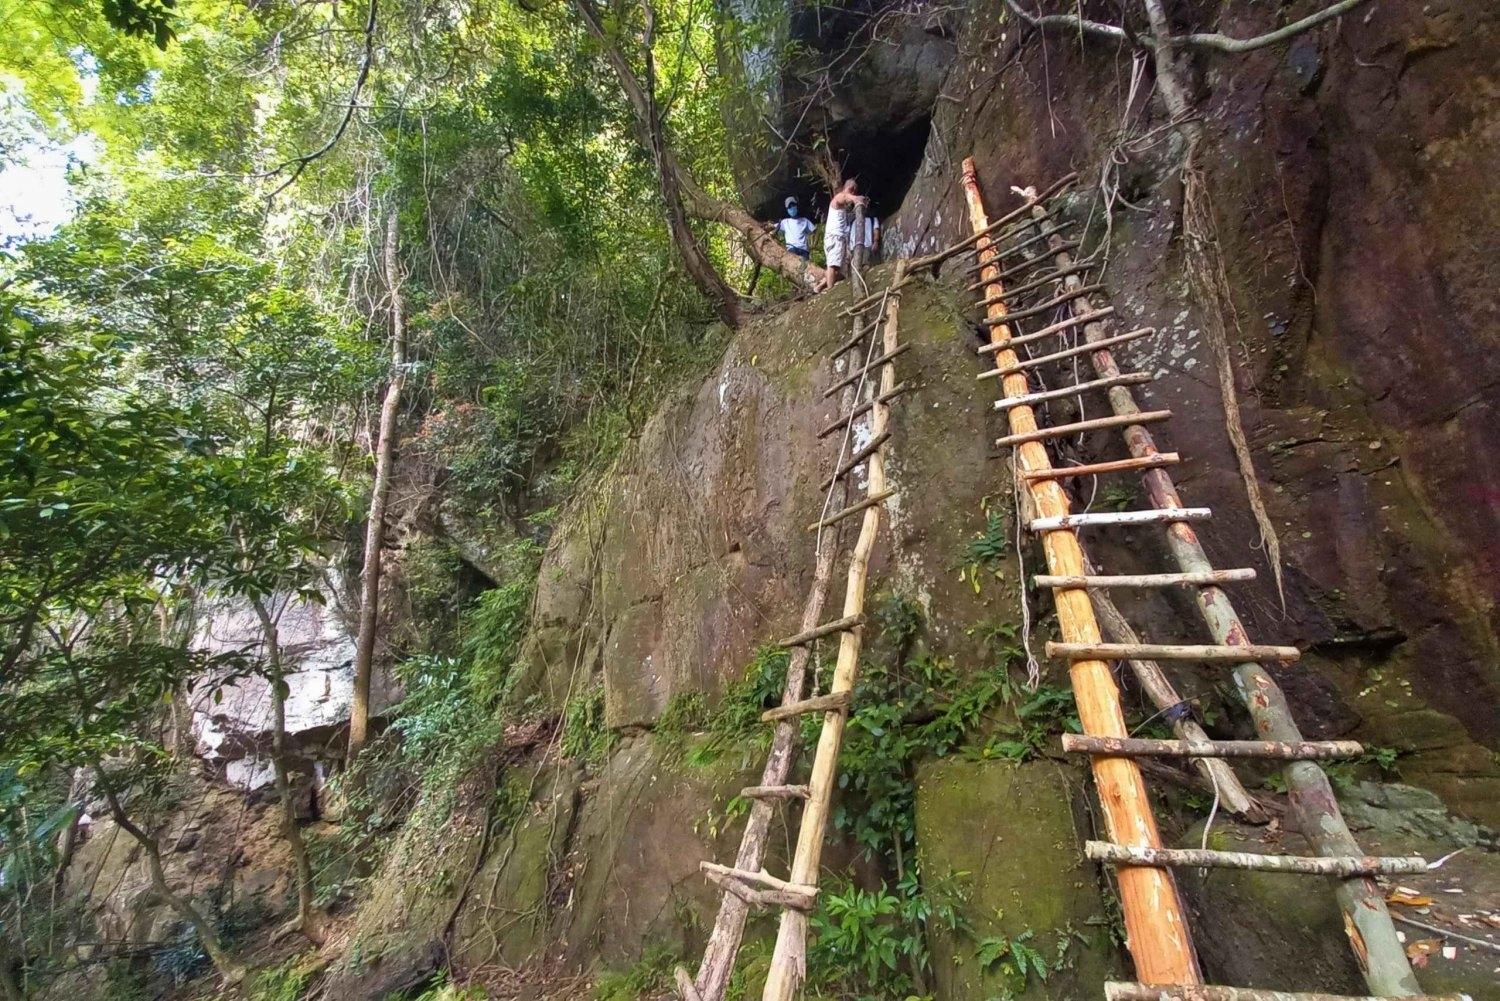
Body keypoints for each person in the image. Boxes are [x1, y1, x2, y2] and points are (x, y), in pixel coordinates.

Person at [821, 177, 867, 292]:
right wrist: (856, 198)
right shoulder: (839, 196)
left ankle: (820, 285)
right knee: (832, 266)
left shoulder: (842, 208)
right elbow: (845, 197)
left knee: (840, 272)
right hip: (835, 238)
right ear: (851, 189)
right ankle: (829, 292)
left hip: (840, 239)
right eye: (854, 192)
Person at [776, 195, 816, 260]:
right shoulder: (785, 222)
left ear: (796, 206)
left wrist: (813, 244)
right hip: (791, 248)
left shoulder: (805, 220)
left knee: (804, 268)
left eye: (793, 205)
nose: (792, 208)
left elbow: (815, 231)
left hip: (804, 250)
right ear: (787, 209)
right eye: (789, 207)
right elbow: (772, 227)